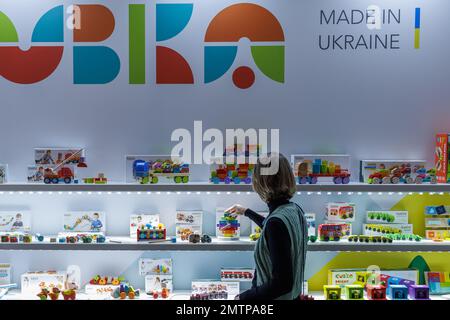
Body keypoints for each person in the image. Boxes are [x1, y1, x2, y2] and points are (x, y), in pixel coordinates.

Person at [226, 153, 308, 300]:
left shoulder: (275, 223)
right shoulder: (294, 210)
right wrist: (247, 212)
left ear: (261, 181)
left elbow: (282, 283)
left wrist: (243, 298)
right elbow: (275, 232)